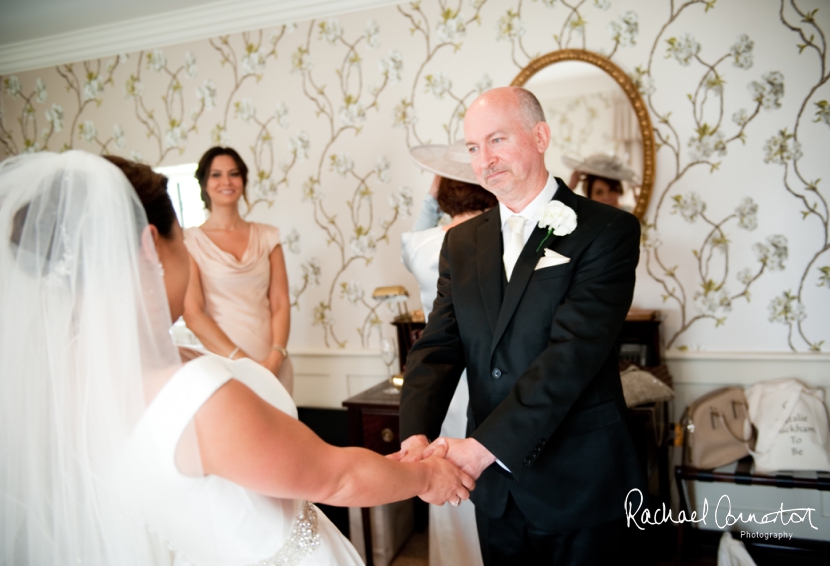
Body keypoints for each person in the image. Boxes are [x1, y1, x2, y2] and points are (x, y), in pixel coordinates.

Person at [0, 151, 474, 566]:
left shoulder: (62, 378)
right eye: (180, 242)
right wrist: (425, 475)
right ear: (151, 245)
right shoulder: (195, 396)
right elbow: (336, 478)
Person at [396, 87, 646, 565]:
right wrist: (416, 436)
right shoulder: (462, 243)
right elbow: (437, 348)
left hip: (578, 482)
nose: (485, 159)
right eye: (473, 148)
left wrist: (480, 449)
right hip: (496, 494)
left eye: (497, 140)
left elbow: (570, 357)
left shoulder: (607, 230)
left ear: (540, 136)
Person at [401, 141, 496, 566]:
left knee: (447, 465)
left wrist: (433, 185)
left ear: (444, 194)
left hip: (444, 379)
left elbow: (421, 221)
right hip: (491, 374)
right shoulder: (499, 237)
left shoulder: (421, 246)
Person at [182, 146, 294, 394]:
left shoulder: (267, 236)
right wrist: (243, 362)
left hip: (274, 364)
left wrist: (276, 356)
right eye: (216, 174)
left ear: (243, 180)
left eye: (234, 173)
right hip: (224, 366)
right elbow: (192, 314)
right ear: (203, 183)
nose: (226, 181)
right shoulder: (190, 242)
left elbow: (281, 302)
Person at [563, 153, 639, 209]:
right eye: (599, 192)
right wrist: (571, 186)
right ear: (589, 195)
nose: (606, 197)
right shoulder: (585, 217)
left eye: (612, 190)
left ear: (619, 191)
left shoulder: (631, 212)